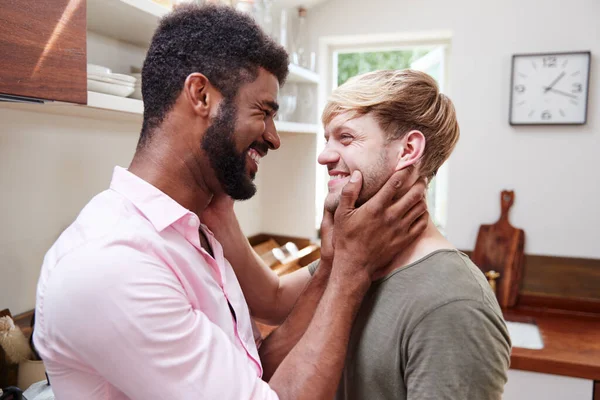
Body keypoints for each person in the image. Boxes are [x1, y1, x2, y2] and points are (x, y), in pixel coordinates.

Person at [32, 4, 428, 399]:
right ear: (201, 96)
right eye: (263, 112)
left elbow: (251, 373)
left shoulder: (194, 230)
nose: (274, 138)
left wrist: (331, 266)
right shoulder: (112, 263)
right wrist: (350, 272)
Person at [211, 69, 512, 399]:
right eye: (328, 138)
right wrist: (217, 201)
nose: (324, 156)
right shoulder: (358, 252)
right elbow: (273, 298)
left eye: (346, 138)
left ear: (408, 149)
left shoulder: (455, 304)